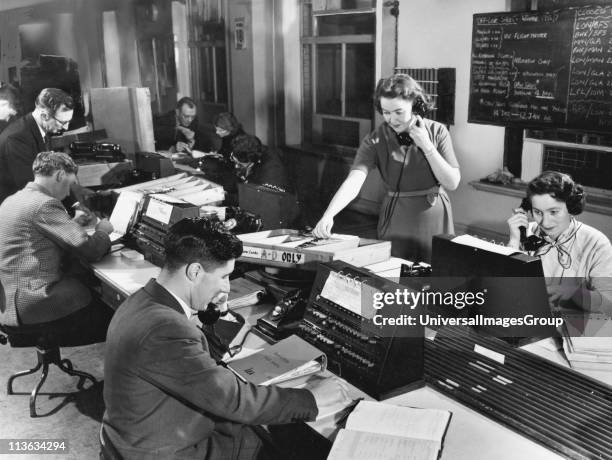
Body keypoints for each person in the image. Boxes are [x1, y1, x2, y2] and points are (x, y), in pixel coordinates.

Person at [102, 217, 349, 459]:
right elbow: (234, 400)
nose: (228, 288)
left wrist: (211, 314)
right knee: (281, 442)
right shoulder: (167, 330)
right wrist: (312, 398)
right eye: (223, 276)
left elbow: (191, 365)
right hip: (168, 451)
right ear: (195, 271)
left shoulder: (142, 300)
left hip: (141, 436)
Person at [313, 74, 460, 262]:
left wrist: (427, 146)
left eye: (399, 112)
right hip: (397, 219)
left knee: (436, 278)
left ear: (416, 106)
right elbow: (354, 181)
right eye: (386, 112)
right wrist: (329, 215)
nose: (391, 119)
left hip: (435, 219)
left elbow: (452, 182)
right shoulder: (375, 139)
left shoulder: (438, 132)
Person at [0, 151, 115, 344]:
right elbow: (92, 250)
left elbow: (36, 236)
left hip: (9, 303)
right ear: (60, 175)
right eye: (70, 184)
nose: (69, 193)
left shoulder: (11, 201)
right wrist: (103, 230)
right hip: (35, 303)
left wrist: (71, 223)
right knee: (116, 316)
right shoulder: (45, 204)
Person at [507, 171, 612, 314]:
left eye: (554, 212)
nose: (545, 222)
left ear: (571, 207)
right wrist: (514, 241)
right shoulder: (526, 232)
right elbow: (506, 289)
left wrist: (575, 293)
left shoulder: (596, 243)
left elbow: (608, 304)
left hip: (576, 327)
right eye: (538, 212)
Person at [0, 88, 74, 204]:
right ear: (44, 116)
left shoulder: (42, 129)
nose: (66, 128)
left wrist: (75, 205)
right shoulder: (17, 139)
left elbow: (52, 173)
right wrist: (67, 214)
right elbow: (32, 190)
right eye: (63, 122)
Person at [153, 96, 218, 153]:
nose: (190, 120)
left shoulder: (194, 121)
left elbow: (198, 145)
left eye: (192, 116)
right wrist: (174, 148)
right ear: (177, 112)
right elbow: (158, 147)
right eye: (186, 116)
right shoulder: (163, 121)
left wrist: (191, 141)